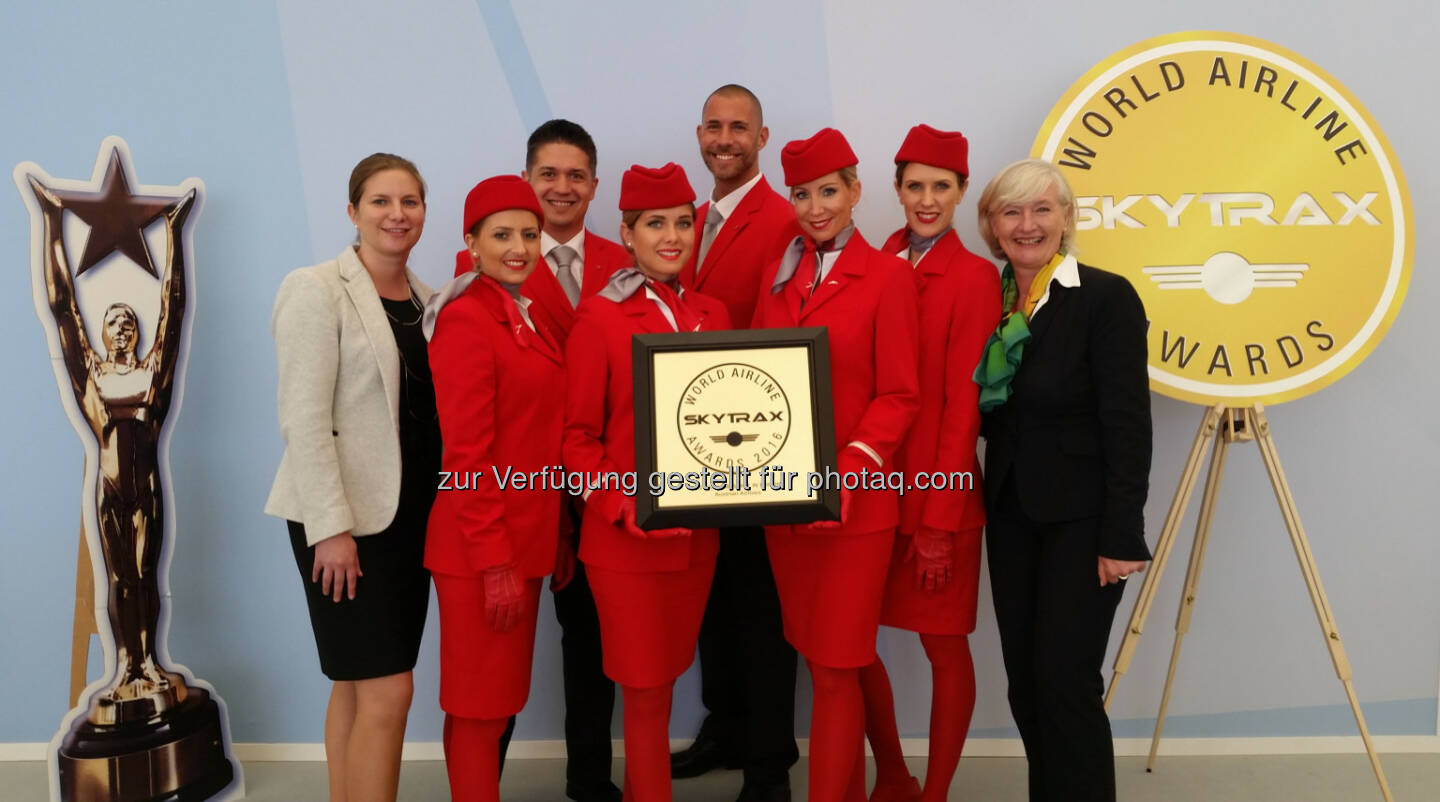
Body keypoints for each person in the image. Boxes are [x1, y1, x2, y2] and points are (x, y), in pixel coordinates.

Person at [974, 158, 1152, 802]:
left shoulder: (1104, 297)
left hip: (1084, 520)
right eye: (1012, 212)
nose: (1028, 225)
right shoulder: (987, 301)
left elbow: (1128, 423)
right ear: (992, 227)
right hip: (1012, 514)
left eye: (1042, 210)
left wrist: (1122, 533)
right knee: (1025, 681)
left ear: (1067, 219)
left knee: (1066, 681)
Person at [751, 128, 920, 802]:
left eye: (828, 190)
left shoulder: (888, 277)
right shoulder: (778, 276)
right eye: (801, 194)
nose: (815, 206)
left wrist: (852, 464)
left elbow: (900, 392)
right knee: (821, 659)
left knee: (835, 666)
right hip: (784, 509)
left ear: (855, 191)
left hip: (855, 506)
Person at [267, 153, 436, 802]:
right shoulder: (315, 289)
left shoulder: (427, 299)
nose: (397, 214)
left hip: (409, 521)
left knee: (356, 682)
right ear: (352, 212)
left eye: (411, 201)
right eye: (381, 201)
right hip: (343, 523)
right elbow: (303, 422)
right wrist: (329, 531)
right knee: (389, 688)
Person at [564, 162, 731, 802]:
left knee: (664, 681)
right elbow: (575, 440)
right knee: (641, 689)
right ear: (627, 233)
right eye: (654, 224)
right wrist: (618, 502)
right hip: (625, 542)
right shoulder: (599, 319)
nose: (671, 236)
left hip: (698, 539)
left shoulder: (712, 313)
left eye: (683, 223)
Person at [857, 125, 1001, 802]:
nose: (926, 199)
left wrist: (939, 519)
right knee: (849, 646)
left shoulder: (973, 278)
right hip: (869, 493)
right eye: (914, 185)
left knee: (944, 648)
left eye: (941, 186)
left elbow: (961, 409)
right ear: (895, 189)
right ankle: (892, 772)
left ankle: (936, 792)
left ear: (962, 192)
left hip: (934, 497)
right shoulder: (875, 260)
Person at [671, 84, 802, 802]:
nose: (725, 138)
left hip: (756, 447)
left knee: (759, 607)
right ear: (700, 134)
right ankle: (724, 726)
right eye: (715, 127)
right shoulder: (688, 220)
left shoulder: (783, 220)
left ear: (763, 137)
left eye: (739, 128)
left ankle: (769, 761)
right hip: (695, 448)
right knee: (713, 601)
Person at [422, 175, 565, 802]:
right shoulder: (466, 321)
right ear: (471, 243)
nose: (520, 248)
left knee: (488, 707)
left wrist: (553, 536)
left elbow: (536, 440)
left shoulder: (520, 315)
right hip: (481, 551)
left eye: (529, 235)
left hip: (522, 541)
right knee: (481, 711)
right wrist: (495, 561)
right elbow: (467, 458)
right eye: (502, 235)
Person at [521, 119, 631, 802]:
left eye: (576, 175)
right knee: (498, 646)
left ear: (594, 184)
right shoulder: (482, 261)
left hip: (599, 481)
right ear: (529, 179)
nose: (562, 188)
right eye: (549, 174)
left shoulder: (630, 261)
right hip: (521, 482)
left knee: (591, 639)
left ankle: (588, 779)